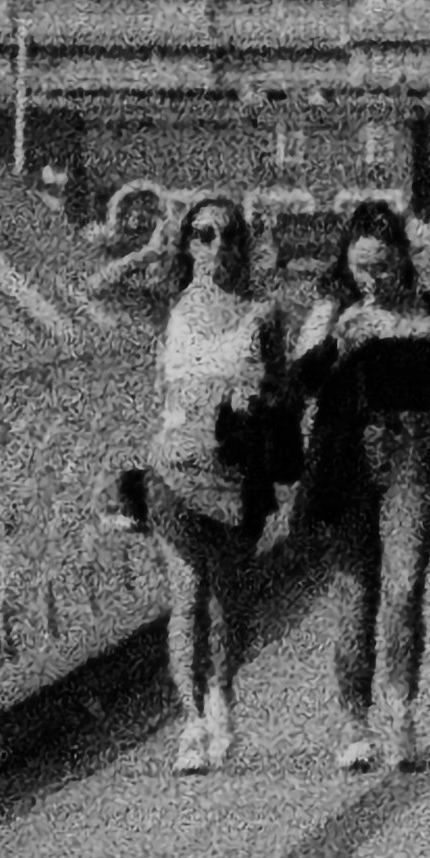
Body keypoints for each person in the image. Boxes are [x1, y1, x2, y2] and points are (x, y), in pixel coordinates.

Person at [292, 198, 430, 776]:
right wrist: (339, 339)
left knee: (405, 586)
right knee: (355, 596)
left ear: (403, 260)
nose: (373, 278)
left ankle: (399, 707)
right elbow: (299, 383)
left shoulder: (428, 307)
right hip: (348, 454)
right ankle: (354, 721)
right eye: (362, 266)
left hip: (412, 447)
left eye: (383, 266)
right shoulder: (333, 307)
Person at [144, 198, 281, 775]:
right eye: (202, 234)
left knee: (227, 602)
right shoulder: (170, 308)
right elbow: (92, 290)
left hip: (234, 476)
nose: (215, 246)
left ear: (242, 245)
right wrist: (145, 252)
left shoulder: (262, 313)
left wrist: (258, 396)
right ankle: (191, 721)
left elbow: (282, 391)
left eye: (226, 236)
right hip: (173, 470)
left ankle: (222, 692)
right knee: (187, 596)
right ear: (187, 243)